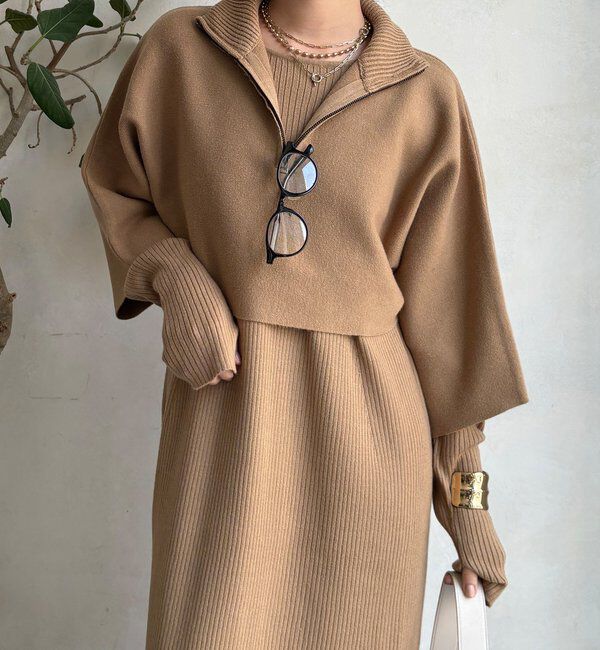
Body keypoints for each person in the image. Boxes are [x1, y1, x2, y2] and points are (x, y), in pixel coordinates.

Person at [80, 0, 529, 647]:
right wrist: (174, 275)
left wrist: (469, 508)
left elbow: (455, 329)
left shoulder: (425, 93)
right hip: (222, 439)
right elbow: (114, 185)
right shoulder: (181, 50)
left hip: (371, 462)